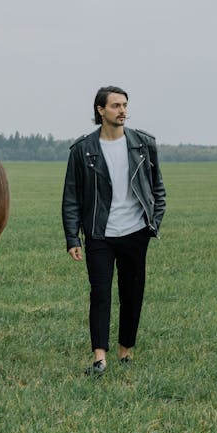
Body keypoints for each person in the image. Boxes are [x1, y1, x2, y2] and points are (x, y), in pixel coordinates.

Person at [61, 86, 166, 376]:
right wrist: (73, 237)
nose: (122, 110)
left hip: (135, 233)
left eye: (124, 105)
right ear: (100, 110)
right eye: (116, 105)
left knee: (132, 293)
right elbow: (71, 197)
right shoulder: (83, 150)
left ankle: (126, 351)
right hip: (99, 234)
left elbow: (158, 188)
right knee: (100, 294)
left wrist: (152, 224)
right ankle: (99, 357)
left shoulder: (144, 144)